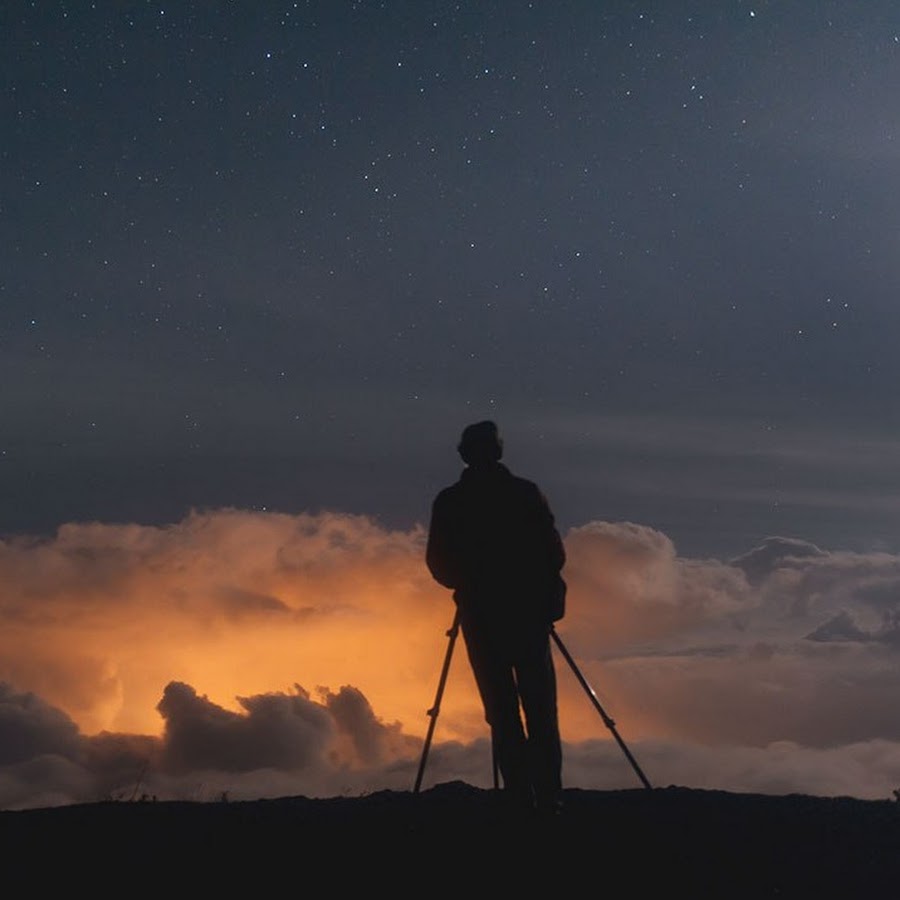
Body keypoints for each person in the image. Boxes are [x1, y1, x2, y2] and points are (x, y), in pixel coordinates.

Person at [425, 420, 566, 814]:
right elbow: (552, 553)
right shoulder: (524, 494)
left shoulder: (451, 501)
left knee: (501, 711)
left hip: (482, 616)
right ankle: (548, 796)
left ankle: (522, 795)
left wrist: (469, 585)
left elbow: (438, 562)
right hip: (526, 614)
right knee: (539, 708)